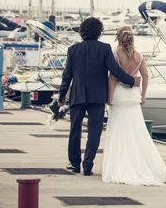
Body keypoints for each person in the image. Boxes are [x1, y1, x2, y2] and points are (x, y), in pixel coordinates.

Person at [58, 17, 140, 175]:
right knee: (94, 131)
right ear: (99, 32)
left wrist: (61, 96)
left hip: (78, 95)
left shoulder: (73, 50)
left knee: (75, 130)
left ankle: (74, 164)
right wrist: (131, 80)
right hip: (98, 96)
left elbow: (66, 76)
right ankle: (88, 165)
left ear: (82, 32)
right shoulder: (104, 48)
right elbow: (114, 70)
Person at [103, 26, 166, 186]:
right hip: (133, 96)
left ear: (118, 38)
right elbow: (145, 76)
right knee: (137, 131)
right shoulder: (140, 56)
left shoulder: (115, 54)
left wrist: (110, 96)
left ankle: (120, 165)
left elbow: (113, 77)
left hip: (120, 96)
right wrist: (143, 95)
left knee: (119, 131)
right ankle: (146, 165)